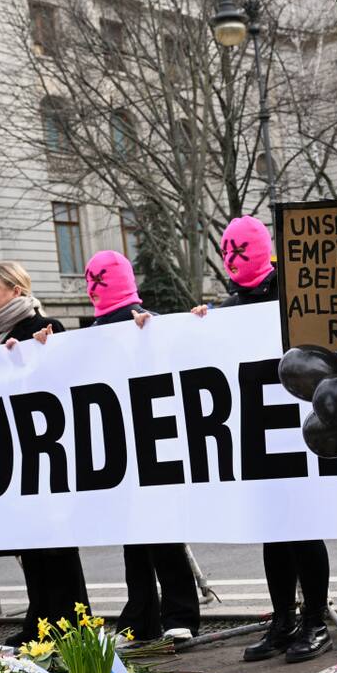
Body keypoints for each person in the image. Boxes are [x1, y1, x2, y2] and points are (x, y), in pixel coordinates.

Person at [42, 250, 201, 643]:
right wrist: (43, 347)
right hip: (122, 447)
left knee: (161, 533)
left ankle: (178, 613)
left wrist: (193, 323)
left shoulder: (150, 325)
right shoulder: (94, 334)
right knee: (134, 538)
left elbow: (186, 355)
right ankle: (142, 616)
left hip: (156, 442)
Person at [194, 215, 333, 663]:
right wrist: (200, 325)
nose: (233, 259)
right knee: (274, 533)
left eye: (241, 249)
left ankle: (315, 622)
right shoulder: (230, 306)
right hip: (259, 430)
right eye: (227, 251)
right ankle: (282, 621)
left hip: (300, 426)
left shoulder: (292, 293)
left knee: (304, 528)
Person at [0, 262, 91, 647]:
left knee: (56, 541)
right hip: (16, 452)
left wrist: (34, 354)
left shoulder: (45, 327)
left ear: (16, 289)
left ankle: (72, 620)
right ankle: (39, 618)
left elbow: (63, 381)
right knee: (29, 542)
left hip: (47, 449)